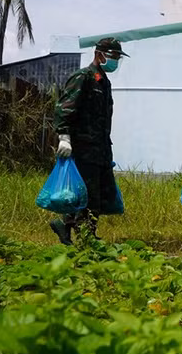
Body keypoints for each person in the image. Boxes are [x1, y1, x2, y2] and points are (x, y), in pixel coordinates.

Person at [50, 37, 128, 245]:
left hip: (100, 149)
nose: (115, 61)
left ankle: (65, 228)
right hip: (83, 148)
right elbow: (65, 107)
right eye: (113, 56)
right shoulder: (82, 77)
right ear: (99, 54)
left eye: (118, 58)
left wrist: (107, 154)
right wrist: (64, 137)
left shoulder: (104, 82)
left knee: (94, 195)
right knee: (89, 196)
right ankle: (87, 239)